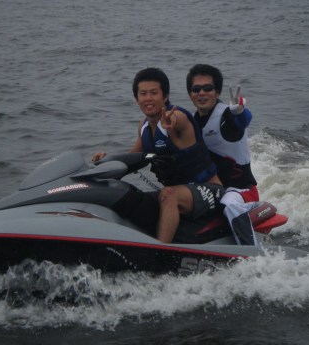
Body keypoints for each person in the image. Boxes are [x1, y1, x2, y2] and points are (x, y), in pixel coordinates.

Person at [92, 67, 224, 244]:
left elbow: (177, 121)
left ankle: (161, 250)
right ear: (136, 99)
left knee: (168, 194)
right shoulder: (144, 127)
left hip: (210, 191)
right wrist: (106, 161)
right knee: (128, 197)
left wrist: (172, 122)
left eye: (154, 93)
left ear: (165, 96)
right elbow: (131, 159)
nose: (148, 98)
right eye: (143, 94)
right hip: (178, 193)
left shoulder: (177, 117)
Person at [186, 64, 260, 246]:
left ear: (217, 92)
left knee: (229, 203)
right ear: (190, 94)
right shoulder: (192, 123)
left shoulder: (228, 115)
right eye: (196, 89)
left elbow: (242, 120)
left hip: (241, 191)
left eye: (208, 88)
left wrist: (239, 112)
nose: (202, 93)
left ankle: (251, 252)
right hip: (212, 190)